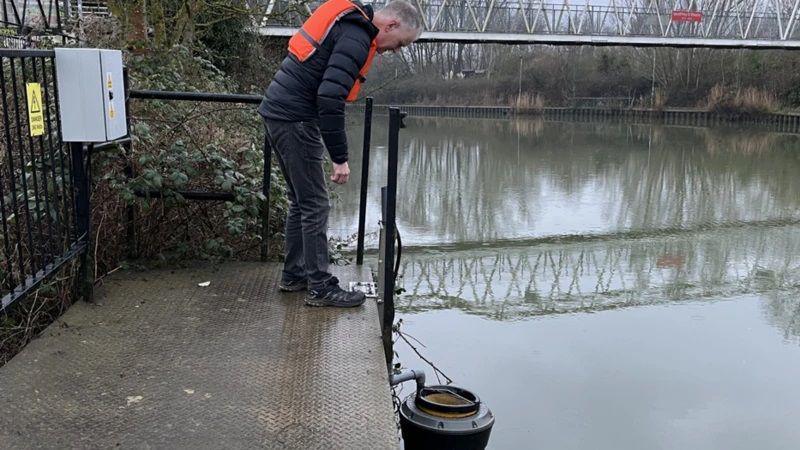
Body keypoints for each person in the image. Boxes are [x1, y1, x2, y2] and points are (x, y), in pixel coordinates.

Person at [259, 0, 423, 307]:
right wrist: (340, 157)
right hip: (295, 118)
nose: (395, 50)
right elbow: (330, 96)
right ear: (391, 26)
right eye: (400, 43)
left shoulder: (351, 25)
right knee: (316, 205)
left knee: (301, 201)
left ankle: (295, 275)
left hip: (279, 112)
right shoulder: (357, 38)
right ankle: (320, 287)